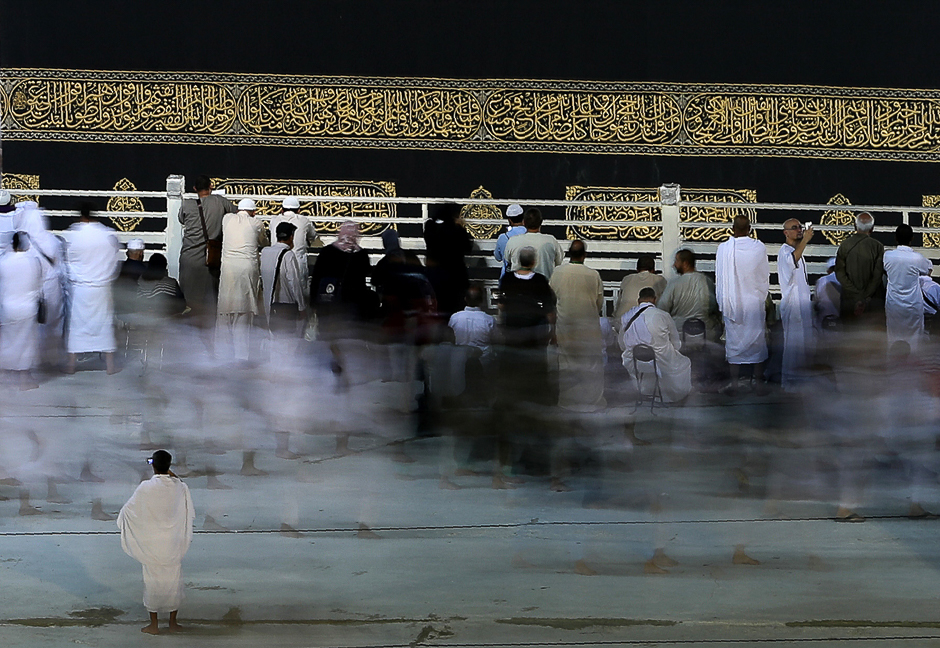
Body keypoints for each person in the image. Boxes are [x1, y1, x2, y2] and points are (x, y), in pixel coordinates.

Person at [117, 450, 194, 635]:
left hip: (153, 545)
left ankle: (154, 625)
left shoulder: (146, 487)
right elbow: (186, 504)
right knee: (173, 583)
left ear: (153, 465)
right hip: (172, 545)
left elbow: (127, 511)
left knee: (152, 584)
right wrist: (170, 473)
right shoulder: (180, 487)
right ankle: (173, 623)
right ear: (169, 466)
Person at [65, 203, 122, 374]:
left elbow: (68, 261)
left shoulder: (74, 235)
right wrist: (106, 276)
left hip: (81, 288)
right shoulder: (107, 234)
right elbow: (114, 260)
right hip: (101, 288)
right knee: (104, 325)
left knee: (76, 327)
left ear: (81, 216)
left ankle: (71, 365)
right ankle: (110, 366)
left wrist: (77, 277)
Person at [715, 215, 770, 395]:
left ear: (732, 229)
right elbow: (764, 277)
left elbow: (720, 279)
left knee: (734, 344)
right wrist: (760, 295)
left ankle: (735, 384)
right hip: (753, 303)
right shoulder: (758, 248)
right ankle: (758, 384)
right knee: (757, 343)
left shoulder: (723, 249)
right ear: (750, 228)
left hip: (733, 305)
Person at [549, 240, 606, 411]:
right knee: (591, 364)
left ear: (568, 253)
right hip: (589, 327)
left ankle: (568, 401)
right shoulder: (593, 275)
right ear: (584, 255)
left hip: (565, 326)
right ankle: (591, 402)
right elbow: (599, 303)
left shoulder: (557, 273)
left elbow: (552, 299)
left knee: (567, 363)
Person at [177, 176, 236, 326]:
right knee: (210, 302)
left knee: (188, 303)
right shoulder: (220, 201)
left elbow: (181, 219)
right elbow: (235, 213)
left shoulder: (187, 205)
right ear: (211, 186)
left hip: (189, 259)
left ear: (195, 189)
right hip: (211, 258)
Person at [620, 287, 691, 403]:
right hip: (661, 359)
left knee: (643, 364)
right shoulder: (663, 315)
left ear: (639, 301)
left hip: (635, 361)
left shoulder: (627, 316)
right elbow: (676, 342)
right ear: (654, 299)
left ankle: (645, 393)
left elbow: (622, 343)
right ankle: (671, 396)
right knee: (685, 362)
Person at [217, 198, 267, 362]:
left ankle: (223, 356)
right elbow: (264, 242)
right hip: (247, 271)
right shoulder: (256, 223)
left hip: (228, 270)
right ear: (253, 212)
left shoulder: (227, 219)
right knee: (244, 312)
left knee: (225, 309)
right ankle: (241, 357)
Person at [0, 232, 43, 389]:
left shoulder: (4, 261)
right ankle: (24, 381)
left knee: (6, 342)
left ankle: (3, 376)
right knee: (26, 344)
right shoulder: (33, 262)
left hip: (8, 308)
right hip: (27, 309)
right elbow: (38, 285)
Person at [777, 219, 816, 390]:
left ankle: (800, 382)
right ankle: (789, 384)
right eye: (794, 228)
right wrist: (806, 240)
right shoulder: (785, 252)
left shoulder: (797, 251)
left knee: (803, 347)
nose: (799, 230)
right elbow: (792, 261)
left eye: (800, 227)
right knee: (793, 348)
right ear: (785, 232)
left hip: (802, 307)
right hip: (793, 308)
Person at [884, 224, 932, 350]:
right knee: (914, 340)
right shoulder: (917, 258)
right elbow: (928, 269)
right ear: (912, 239)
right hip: (913, 305)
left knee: (893, 338)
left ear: (895, 239)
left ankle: (893, 367)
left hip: (893, 305)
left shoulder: (887, 256)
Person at [656, 249, 720, 341]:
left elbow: (661, 309)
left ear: (685, 263)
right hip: (705, 335)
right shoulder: (707, 282)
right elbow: (716, 308)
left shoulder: (674, 284)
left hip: (679, 336)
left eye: (676, 261)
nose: (674, 265)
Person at [423, 203, 474, 316]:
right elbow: (467, 248)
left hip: (435, 275)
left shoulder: (431, 227)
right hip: (455, 276)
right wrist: (461, 228)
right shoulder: (455, 230)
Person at [260, 222, 307, 340]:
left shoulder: (265, 252)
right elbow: (294, 283)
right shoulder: (288, 255)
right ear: (291, 237)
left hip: (268, 306)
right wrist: (302, 307)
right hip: (286, 307)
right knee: (287, 343)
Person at [835, 212, 884, 323]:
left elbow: (840, 274)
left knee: (849, 336)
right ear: (872, 228)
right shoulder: (878, 247)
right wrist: (865, 297)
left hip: (849, 301)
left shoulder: (845, 245)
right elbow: (877, 276)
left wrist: (857, 296)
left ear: (855, 226)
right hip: (873, 302)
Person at [268, 197, 319, 297]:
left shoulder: (274, 220)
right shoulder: (304, 221)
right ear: (299, 210)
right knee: (300, 294)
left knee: (278, 294)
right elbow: (313, 236)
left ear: (282, 210)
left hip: (276, 263)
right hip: (297, 263)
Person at [503, 208, 564, 281]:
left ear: (524, 222)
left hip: (519, 287)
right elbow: (559, 261)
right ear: (541, 222)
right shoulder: (551, 241)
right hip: (544, 288)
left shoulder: (512, 241)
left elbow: (507, 260)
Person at [613, 255, 667, 326]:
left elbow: (619, 304)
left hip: (622, 323)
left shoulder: (627, 279)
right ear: (653, 270)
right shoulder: (660, 280)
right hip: (648, 324)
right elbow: (666, 304)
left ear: (637, 269)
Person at [448, 284, 496, 358]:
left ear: (465, 299)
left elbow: (450, 339)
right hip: (483, 360)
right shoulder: (489, 320)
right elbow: (495, 341)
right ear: (482, 300)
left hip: (460, 360)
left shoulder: (455, 318)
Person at [136, 254, 186, 318]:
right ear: (164, 266)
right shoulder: (171, 282)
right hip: (167, 320)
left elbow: (137, 304)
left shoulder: (139, 282)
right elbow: (182, 305)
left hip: (144, 319)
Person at [493, 204, 525, 278]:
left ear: (509, 220)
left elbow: (498, 257)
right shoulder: (530, 234)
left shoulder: (503, 237)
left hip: (507, 279)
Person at [814, 257, 841, 330]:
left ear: (828, 270)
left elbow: (816, 302)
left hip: (824, 321)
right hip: (841, 322)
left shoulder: (821, 280)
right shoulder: (846, 280)